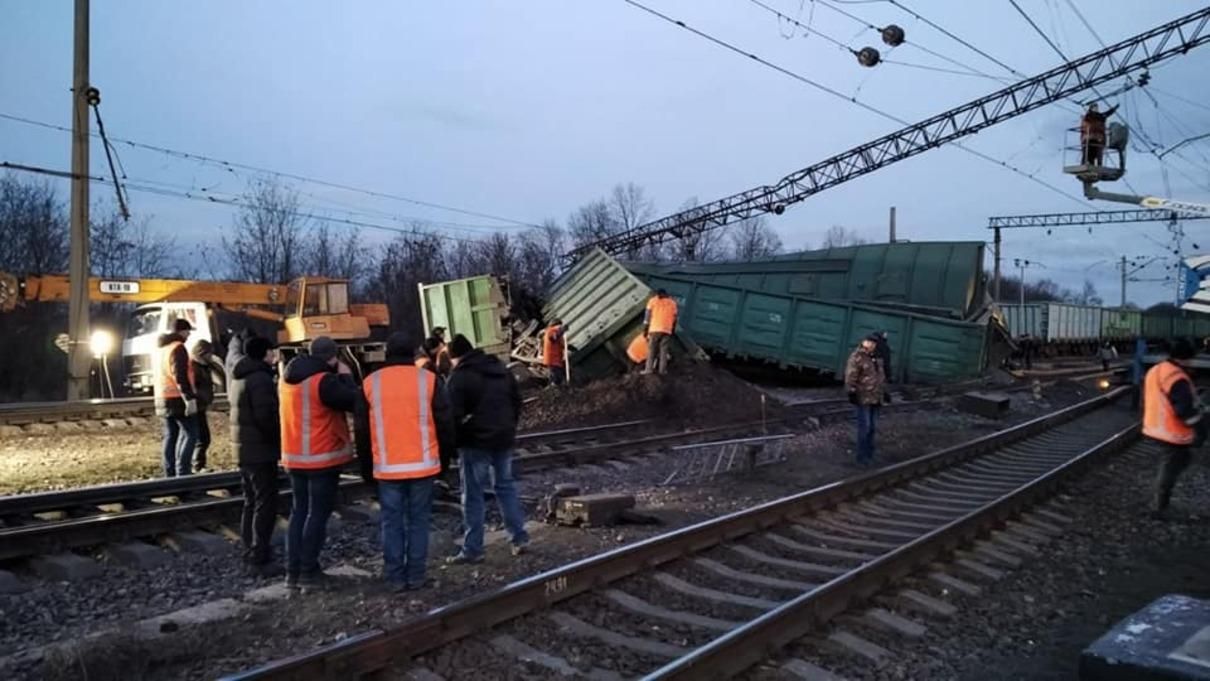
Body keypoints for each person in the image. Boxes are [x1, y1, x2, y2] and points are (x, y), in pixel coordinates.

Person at [354, 333, 455, 592]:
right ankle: (417, 576)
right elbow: (445, 425)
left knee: (391, 522)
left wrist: (366, 469)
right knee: (419, 521)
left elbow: (362, 433)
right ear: (412, 354)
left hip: (387, 469)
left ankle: (395, 577)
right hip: (423, 465)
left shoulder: (369, 383)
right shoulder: (429, 381)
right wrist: (444, 462)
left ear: (387, 354)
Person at [279, 336, 360, 593]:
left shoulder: (286, 378)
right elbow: (354, 401)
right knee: (317, 514)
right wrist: (346, 376)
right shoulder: (323, 382)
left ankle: (293, 573)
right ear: (333, 358)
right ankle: (309, 572)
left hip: (295, 457)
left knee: (298, 512)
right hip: (321, 457)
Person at [444, 334, 529, 563]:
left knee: (473, 495)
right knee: (505, 487)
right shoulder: (501, 369)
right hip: (503, 438)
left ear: (455, 357)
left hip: (475, 443)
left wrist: (453, 444)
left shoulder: (459, 377)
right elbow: (516, 402)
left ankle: (473, 549)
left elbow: (451, 416)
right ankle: (519, 538)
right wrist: (509, 427)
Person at [228, 332, 281, 575]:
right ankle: (260, 556)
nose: (275, 355)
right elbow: (266, 417)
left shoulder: (240, 376)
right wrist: (278, 443)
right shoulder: (260, 379)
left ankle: (249, 548)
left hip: (244, 449)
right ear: (265, 353)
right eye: (272, 351)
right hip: (260, 451)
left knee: (250, 501)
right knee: (264, 503)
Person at [1142, 339, 1205, 519]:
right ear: (1188, 358)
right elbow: (1185, 409)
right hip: (1171, 431)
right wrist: (1200, 431)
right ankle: (1159, 507)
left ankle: (1159, 503)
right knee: (1171, 465)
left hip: (1155, 427)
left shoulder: (1157, 370)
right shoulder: (1176, 377)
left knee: (1176, 462)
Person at [155, 318, 198, 477]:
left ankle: (169, 474)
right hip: (177, 398)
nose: (188, 335)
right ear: (181, 331)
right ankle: (183, 472)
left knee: (170, 435)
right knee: (190, 434)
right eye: (187, 332)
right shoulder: (178, 348)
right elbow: (180, 375)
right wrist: (189, 398)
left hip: (162, 397)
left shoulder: (161, 349)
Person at [845, 335, 886, 467]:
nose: (871, 344)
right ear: (863, 342)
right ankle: (861, 458)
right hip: (863, 397)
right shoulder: (857, 357)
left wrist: (884, 392)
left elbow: (880, 377)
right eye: (869, 342)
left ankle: (869, 455)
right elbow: (851, 376)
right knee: (865, 427)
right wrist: (851, 392)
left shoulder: (876, 358)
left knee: (872, 428)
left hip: (875, 398)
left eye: (873, 343)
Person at [190, 339, 218, 472]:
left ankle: (198, 464)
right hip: (197, 406)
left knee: (202, 438)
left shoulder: (204, 366)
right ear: (202, 353)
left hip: (201, 406)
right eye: (209, 354)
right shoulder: (195, 368)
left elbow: (218, 379)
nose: (211, 356)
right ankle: (197, 465)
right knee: (202, 438)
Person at [643, 289, 678, 375]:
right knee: (663, 351)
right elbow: (675, 319)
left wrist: (645, 330)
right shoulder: (673, 303)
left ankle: (648, 370)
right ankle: (662, 371)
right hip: (666, 330)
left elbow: (647, 318)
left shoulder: (652, 301)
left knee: (652, 350)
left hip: (654, 329)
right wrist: (672, 330)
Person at [1080, 102, 1119, 167]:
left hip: (1098, 138)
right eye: (1094, 107)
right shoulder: (1088, 116)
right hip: (1089, 138)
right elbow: (1088, 123)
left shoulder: (1100, 116)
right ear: (1091, 108)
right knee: (1088, 152)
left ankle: (1097, 164)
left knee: (1097, 152)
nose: (1096, 109)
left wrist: (1114, 109)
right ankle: (1086, 163)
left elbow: (1107, 113)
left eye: (1097, 108)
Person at [542, 319, 567, 387]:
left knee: (556, 375)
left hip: (556, 359)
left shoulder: (555, 332)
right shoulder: (550, 331)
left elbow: (560, 343)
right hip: (552, 359)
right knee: (556, 377)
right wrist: (561, 331)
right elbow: (553, 338)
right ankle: (554, 389)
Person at [1131, 336, 1147, 412]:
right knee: (1137, 385)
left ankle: (1135, 405)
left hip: (1139, 368)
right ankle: (1136, 405)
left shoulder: (1140, 342)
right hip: (1140, 367)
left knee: (1136, 384)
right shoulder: (1141, 343)